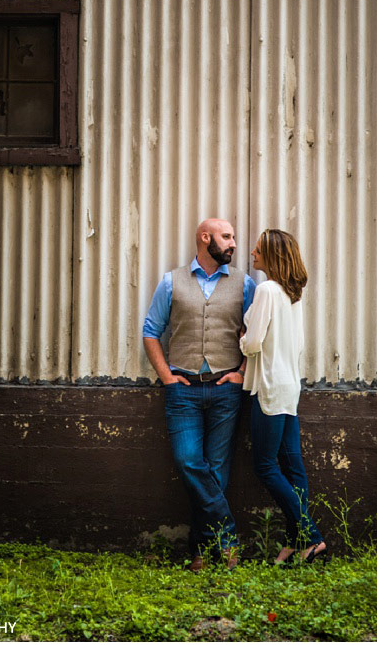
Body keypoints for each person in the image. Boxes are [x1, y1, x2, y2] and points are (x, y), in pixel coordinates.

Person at [143, 218, 256, 571]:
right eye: (226, 236)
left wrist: (241, 373)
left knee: (217, 471)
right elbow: (151, 331)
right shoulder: (171, 282)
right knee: (190, 462)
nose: (234, 243)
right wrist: (167, 378)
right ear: (205, 238)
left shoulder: (245, 284)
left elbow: (256, 337)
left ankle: (201, 553)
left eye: (234, 237)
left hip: (226, 390)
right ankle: (228, 539)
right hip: (184, 390)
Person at [240, 228, 327, 565]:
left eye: (258, 249)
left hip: (271, 388)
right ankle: (295, 544)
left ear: (273, 255)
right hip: (290, 385)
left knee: (265, 465)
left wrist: (242, 338)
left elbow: (253, 344)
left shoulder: (266, 290)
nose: (252, 253)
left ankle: (311, 537)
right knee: (293, 466)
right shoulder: (292, 295)